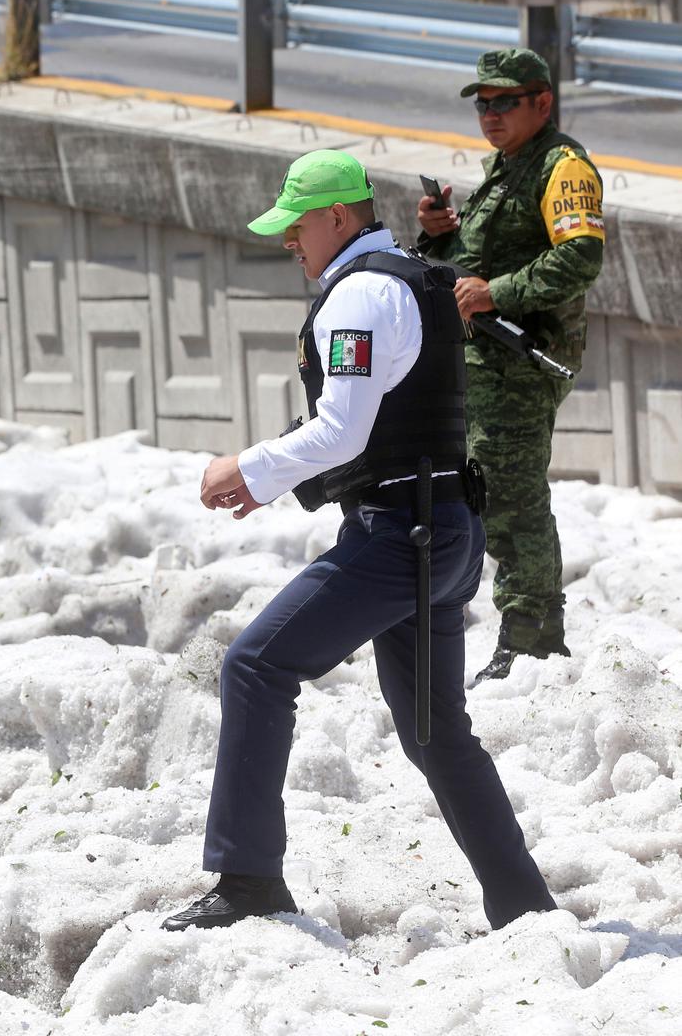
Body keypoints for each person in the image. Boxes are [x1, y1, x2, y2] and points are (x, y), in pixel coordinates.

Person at [166, 150, 555, 932]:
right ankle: (526, 909)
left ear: (338, 216)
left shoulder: (361, 294)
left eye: (297, 225)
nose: (289, 241)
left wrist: (246, 467)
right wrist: (271, 481)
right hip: (445, 530)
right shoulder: (412, 278)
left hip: (401, 537)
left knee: (255, 665)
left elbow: (342, 431)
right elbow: (380, 423)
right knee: (437, 735)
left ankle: (247, 881)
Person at [416, 48, 604, 681]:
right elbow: (475, 262)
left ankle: (531, 642)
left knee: (512, 500)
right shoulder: (507, 167)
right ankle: (532, 637)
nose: (490, 114)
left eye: (505, 102)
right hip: (486, 362)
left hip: (523, 362)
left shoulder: (562, 168)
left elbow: (580, 258)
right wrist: (439, 233)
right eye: (482, 104)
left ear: (542, 103)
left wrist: (497, 293)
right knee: (493, 494)